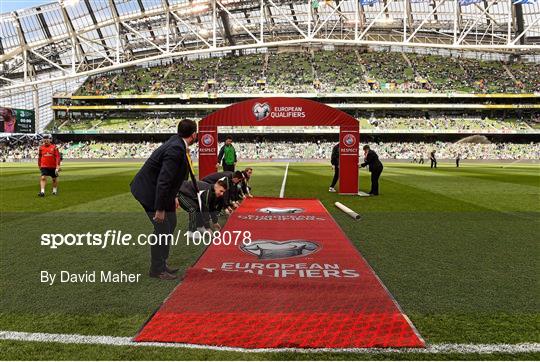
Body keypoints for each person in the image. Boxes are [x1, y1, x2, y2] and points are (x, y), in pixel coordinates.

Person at [130, 119, 197, 280]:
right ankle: (157, 269)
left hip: (161, 192)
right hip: (149, 191)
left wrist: (173, 196)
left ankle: (162, 263)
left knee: (171, 222)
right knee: (162, 228)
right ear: (194, 134)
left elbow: (172, 178)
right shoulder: (176, 148)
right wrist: (159, 209)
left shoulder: (178, 144)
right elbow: (164, 180)